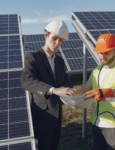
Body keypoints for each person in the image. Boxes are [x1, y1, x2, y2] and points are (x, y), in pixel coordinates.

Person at [21, 20, 77, 150]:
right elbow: (27, 81)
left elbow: (66, 80)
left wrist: (66, 89)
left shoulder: (60, 61)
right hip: (42, 116)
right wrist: (54, 90)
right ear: (46, 36)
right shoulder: (32, 57)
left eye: (61, 40)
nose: (57, 43)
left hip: (58, 115)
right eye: (54, 38)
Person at [78, 33, 115, 150]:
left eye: (107, 52)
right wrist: (70, 95)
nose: (103, 56)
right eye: (101, 52)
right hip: (97, 123)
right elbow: (84, 90)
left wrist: (108, 92)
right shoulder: (96, 71)